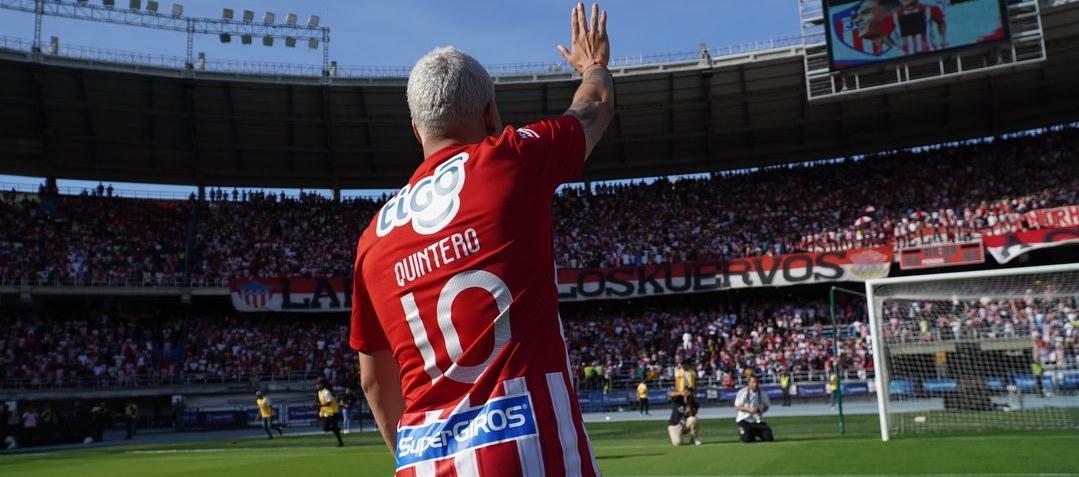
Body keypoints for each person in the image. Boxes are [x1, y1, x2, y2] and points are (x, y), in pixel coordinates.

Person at [351, 3, 614, 476]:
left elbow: (374, 381)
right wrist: (594, 65)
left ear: (416, 130)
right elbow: (592, 107)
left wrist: (414, 458)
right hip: (528, 450)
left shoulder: (373, 238)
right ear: (492, 115)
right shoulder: (509, 160)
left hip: (423, 462)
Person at [735, 376, 774, 443]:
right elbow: (737, 407)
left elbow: (766, 406)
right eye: (753, 382)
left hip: (758, 421)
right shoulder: (742, 392)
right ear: (749, 383)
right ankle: (747, 433)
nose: (755, 384)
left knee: (768, 438)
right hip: (744, 420)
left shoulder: (762, 393)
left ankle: (755, 432)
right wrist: (748, 409)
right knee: (747, 440)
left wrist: (760, 411)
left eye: (756, 382)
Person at [316, 379, 344, 447]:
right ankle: (337, 430)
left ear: (322, 385)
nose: (317, 386)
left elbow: (328, 403)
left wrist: (321, 405)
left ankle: (340, 442)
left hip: (333, 412)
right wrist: (321, 412)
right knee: (325, 428)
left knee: (334, 429)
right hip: (327, 413)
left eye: (318, 384)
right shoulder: (319, 392)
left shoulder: (326, 392)